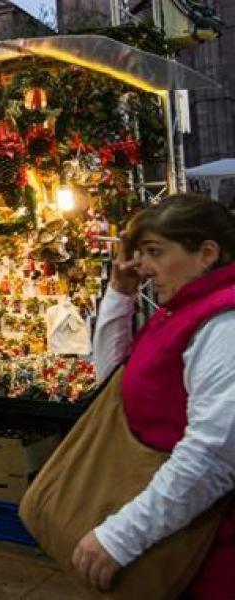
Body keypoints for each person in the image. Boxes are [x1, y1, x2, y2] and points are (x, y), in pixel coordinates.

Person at [73, 194, 235, 597]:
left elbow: (213, 454)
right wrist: (120, 292)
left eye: (155, 252)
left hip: (210, 545)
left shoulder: (224, 323)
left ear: (206, 253)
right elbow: (112, 377)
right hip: (177, 528)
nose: (143, 266)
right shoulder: (183, 308)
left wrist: (122, 536)